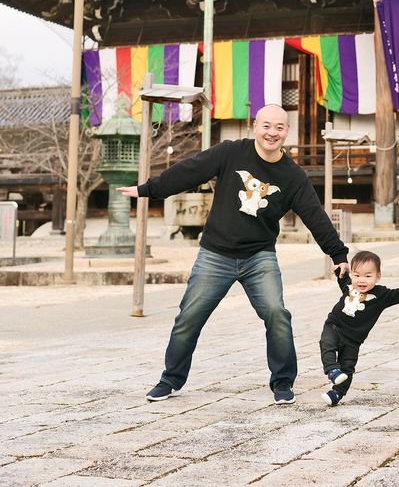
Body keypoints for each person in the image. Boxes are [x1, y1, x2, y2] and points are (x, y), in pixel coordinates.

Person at [116, 104, 348, 405]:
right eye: (266, 125)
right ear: (255, 126)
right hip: (215, 254)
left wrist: (338, 254)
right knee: (189, 316)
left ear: (287, 131)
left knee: (277, 314)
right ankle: (170, 380)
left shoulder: (292, 176)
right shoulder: (230, 152)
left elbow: (315, 216)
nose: (272, 133)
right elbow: (190, 170)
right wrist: (149, 189)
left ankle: (282, 382)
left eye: (279, 127)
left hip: (259, 256)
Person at [320, 250, 399, 406]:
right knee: (327, 344)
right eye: (357, 275)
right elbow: (342, 278)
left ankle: (337, 393)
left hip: (354, 338)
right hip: (334, 325)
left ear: (378, 277)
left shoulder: (382, 295)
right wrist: (339, 269)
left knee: (348, 366)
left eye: (368, 276)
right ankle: (332, 370)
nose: (361, 280)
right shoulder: (348, 285)